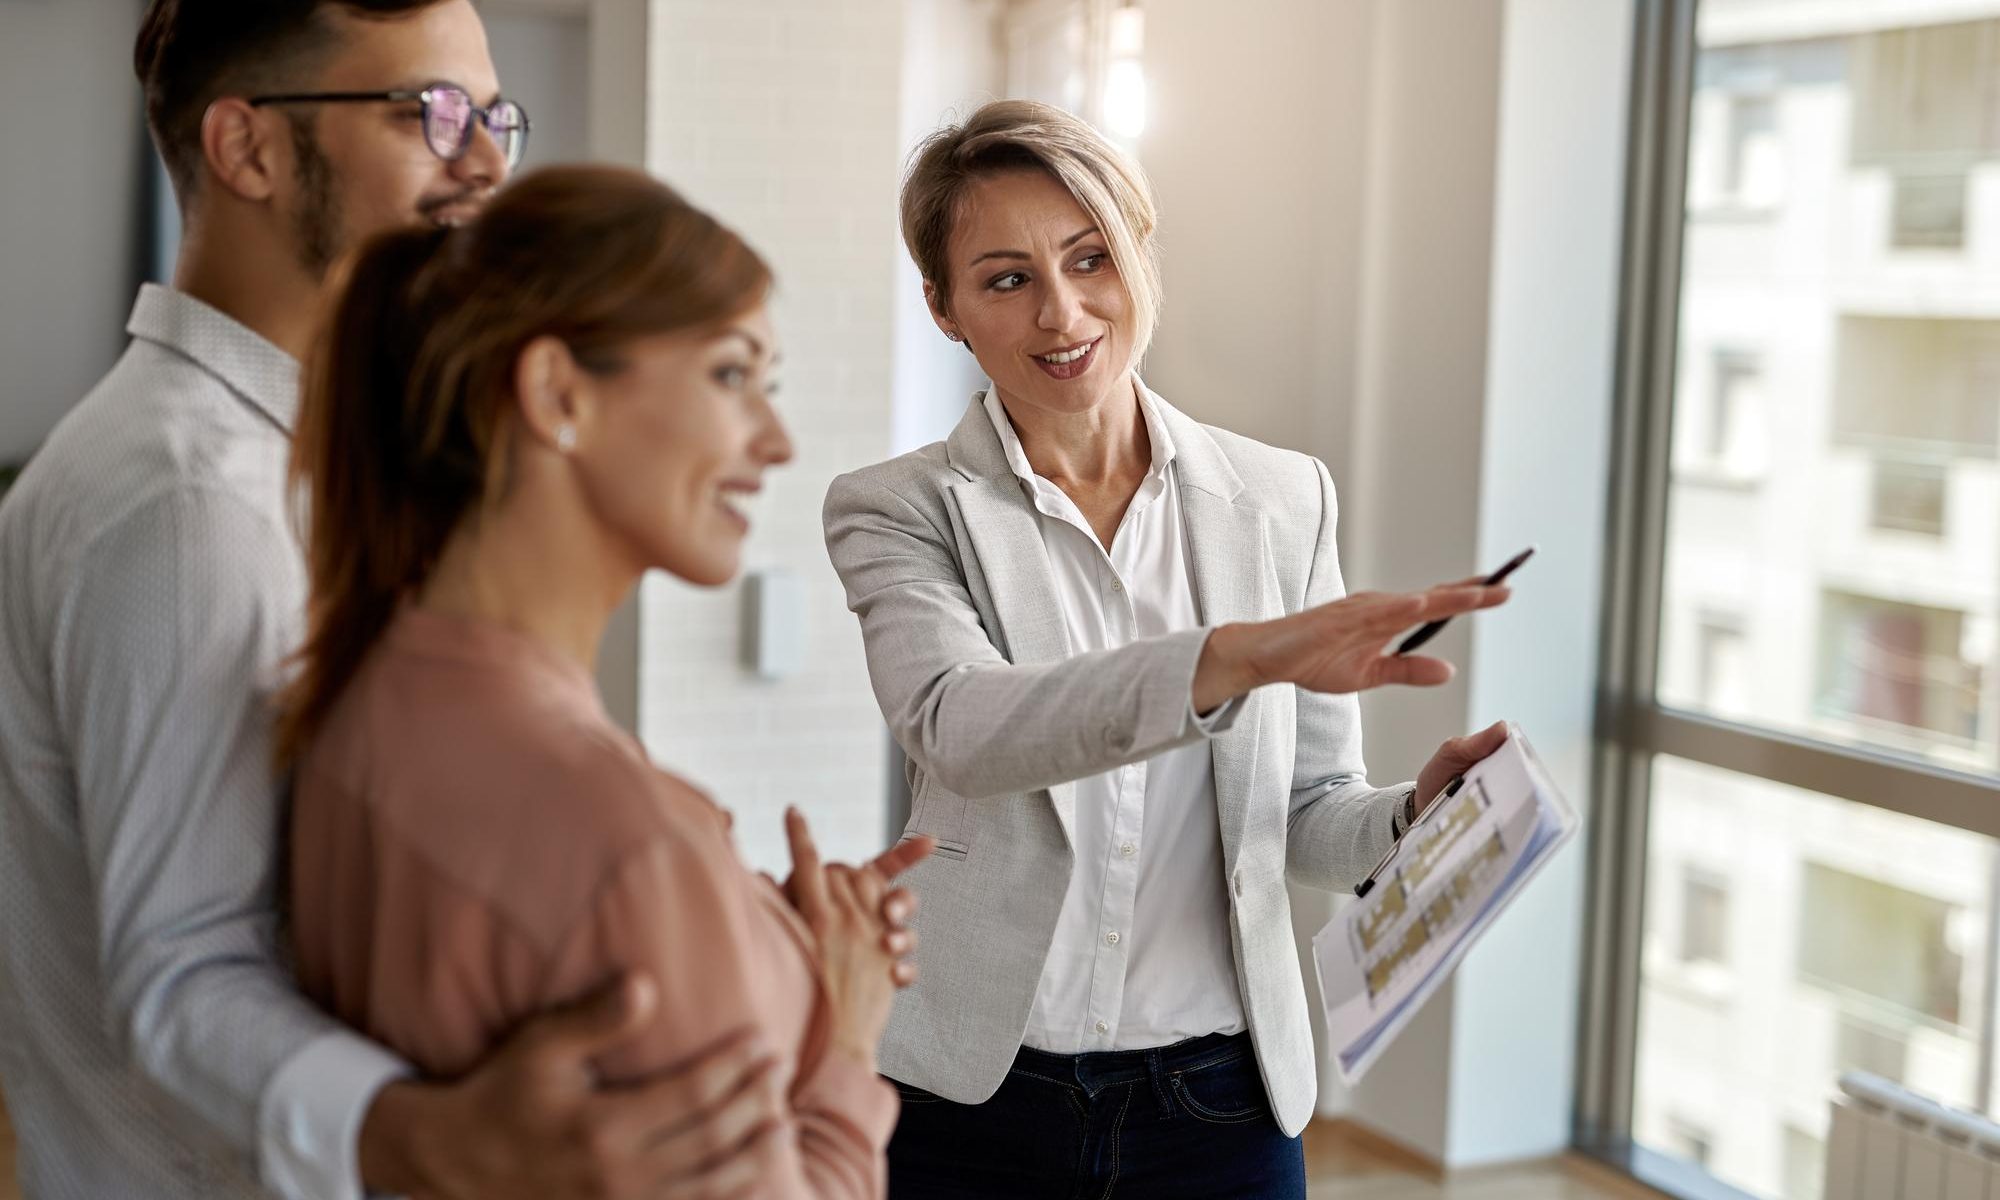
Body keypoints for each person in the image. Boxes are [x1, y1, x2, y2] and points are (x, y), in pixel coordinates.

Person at [0, 4, 864, 1196]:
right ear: (248, 150)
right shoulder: (191, 501)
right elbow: (187, 971)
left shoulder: (329, 471)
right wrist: (429, 1135)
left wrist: (714, 924)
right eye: (430, 113)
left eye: (494, 115)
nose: (489, 161)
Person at [822, 98, 1514, 1198]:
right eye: (1004, 279)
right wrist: (1231, 658)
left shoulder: (1283, 500)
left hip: (1219, 1105)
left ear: (1139, 255)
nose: (1061, 313)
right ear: (944, 308)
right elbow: (962, 728)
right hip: (973, 1096)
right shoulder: (899, 509)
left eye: (1089, 258)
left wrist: (1406, 821)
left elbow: (1303, 813)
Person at [279, 163, 927, 1200]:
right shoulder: (628, 843)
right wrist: (848, 1034)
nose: (776, 441)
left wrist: (757, 929)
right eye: (731, 375)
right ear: (557, 394)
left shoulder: (363, 702)